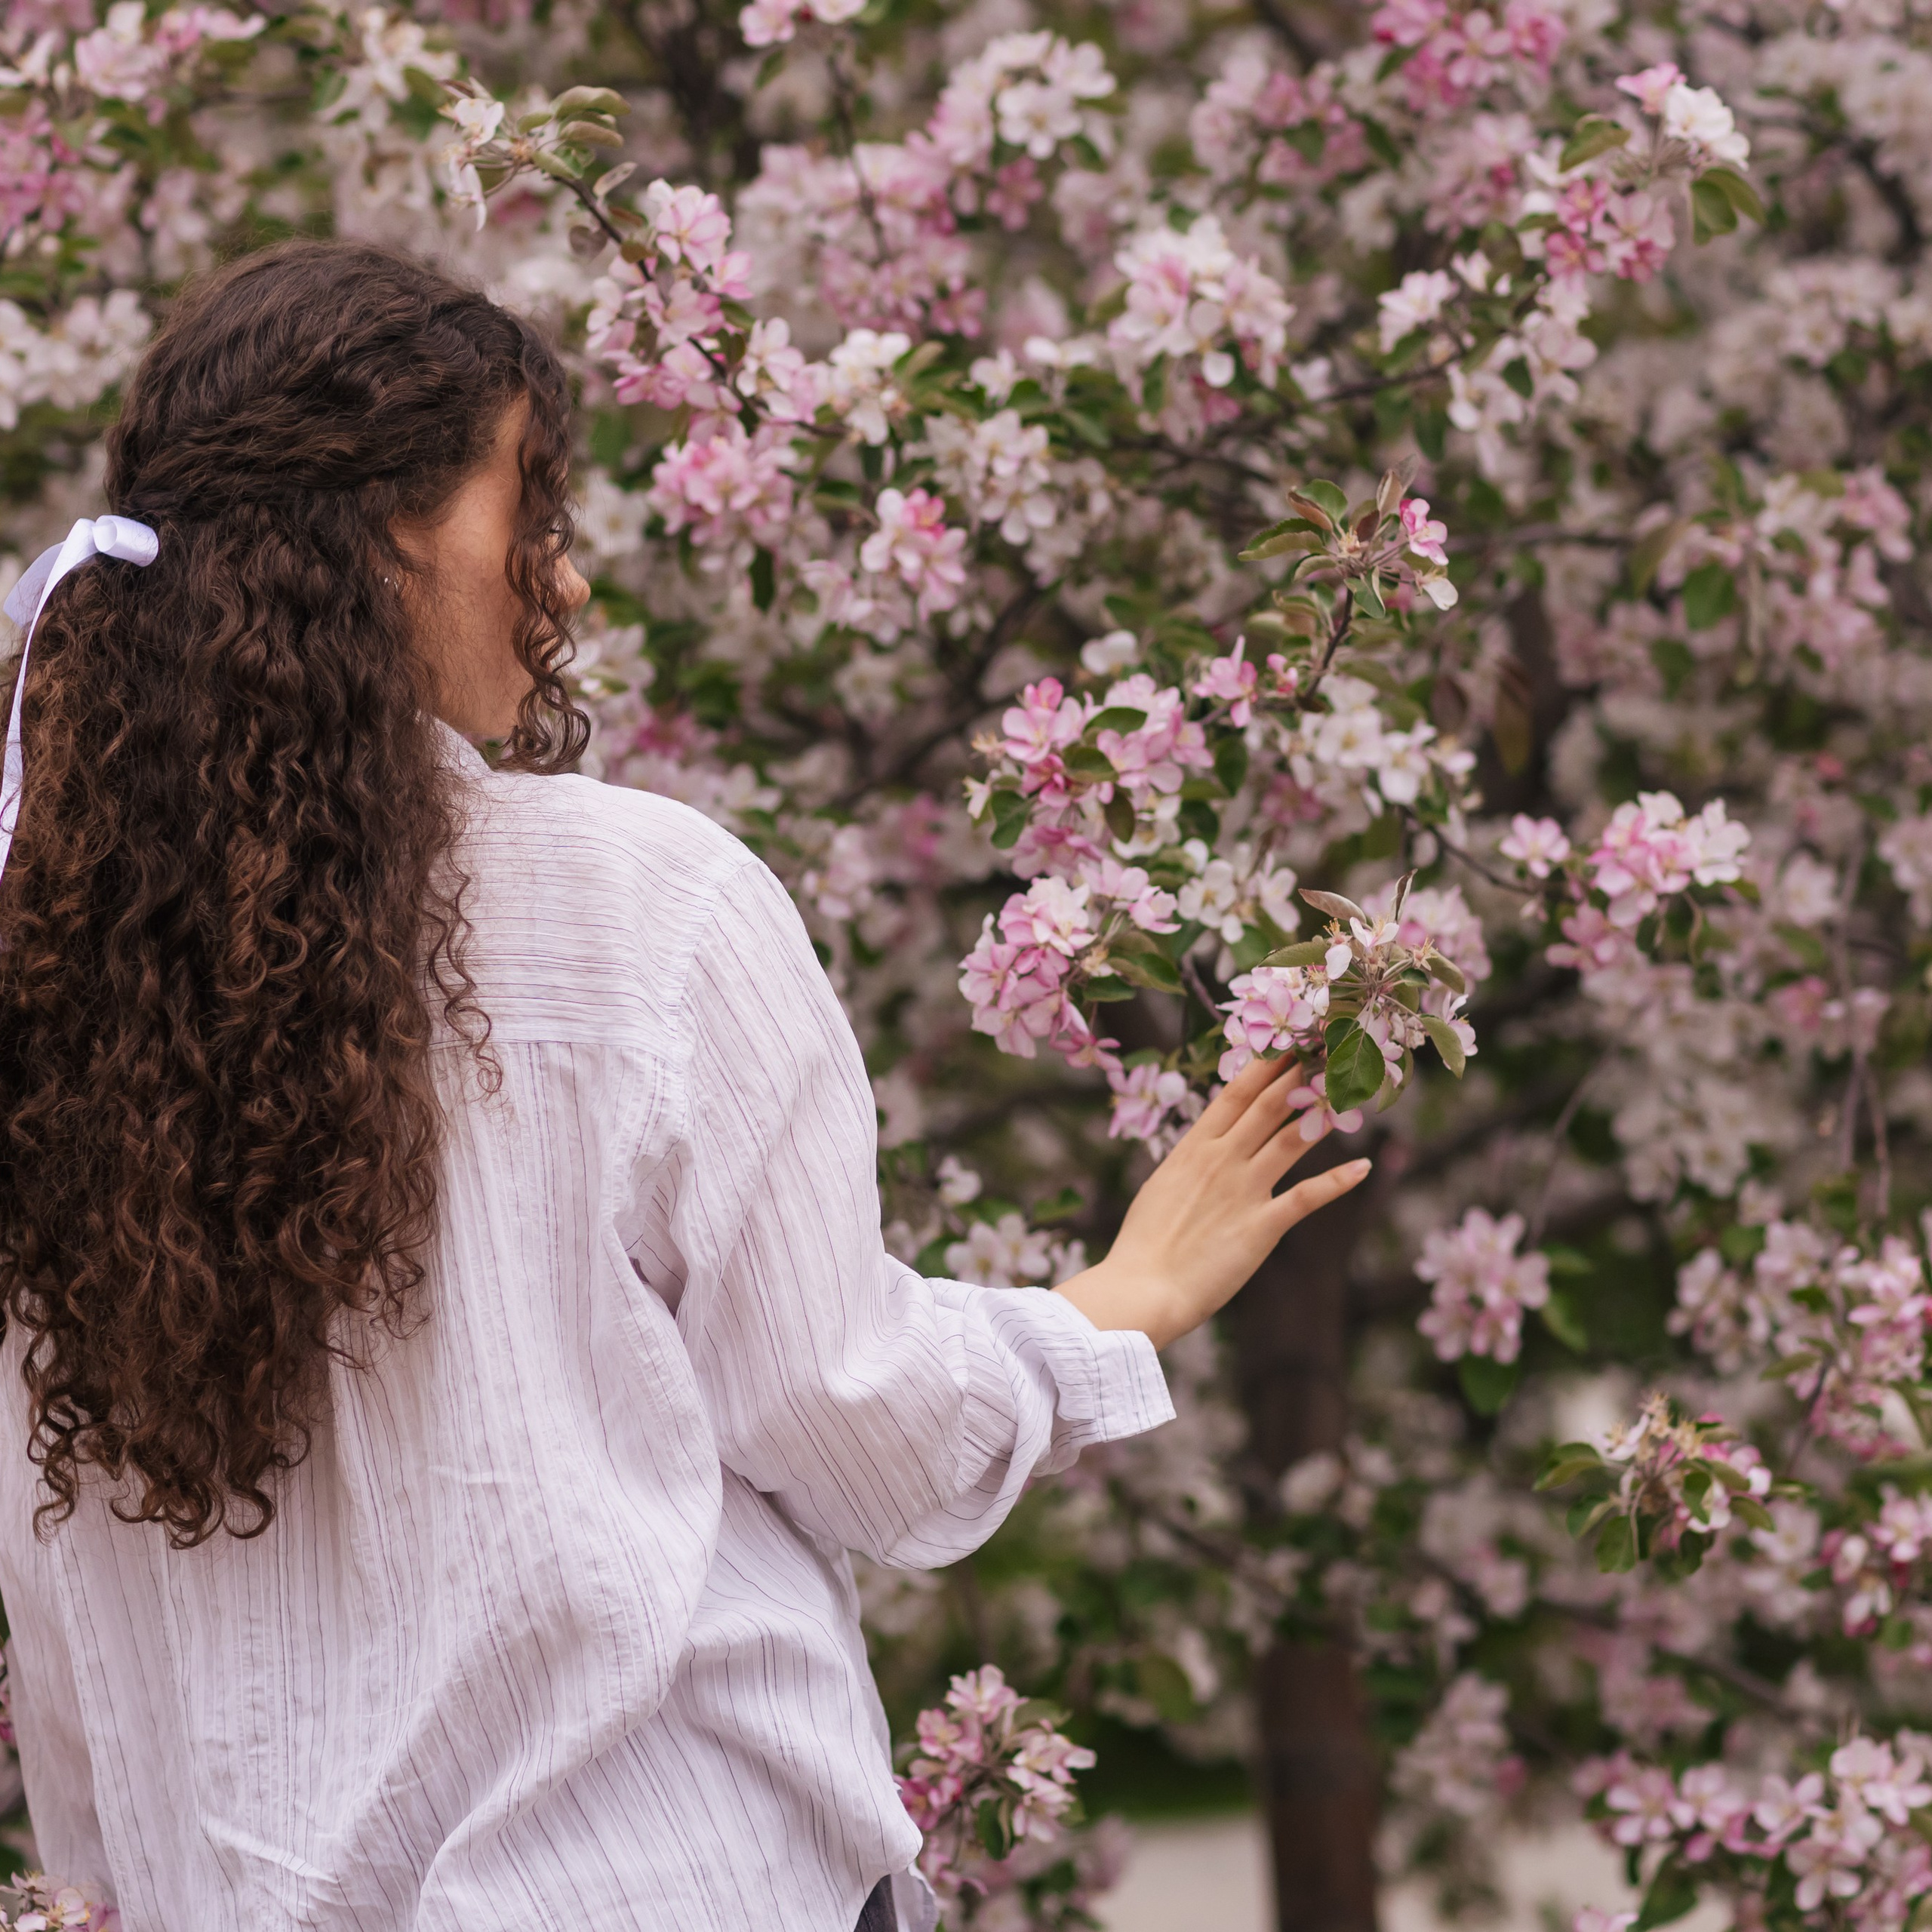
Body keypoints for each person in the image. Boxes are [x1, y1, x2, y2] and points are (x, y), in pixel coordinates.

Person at [0, 241, 1370, 1932]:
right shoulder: (648, 910)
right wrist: (1111, 1309)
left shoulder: (48, 988)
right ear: (380, 536)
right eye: (531, 510)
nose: (567, 581)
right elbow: (853, 1427)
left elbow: (64, 1593)